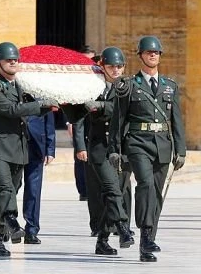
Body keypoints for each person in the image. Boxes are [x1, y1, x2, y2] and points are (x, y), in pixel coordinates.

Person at [108, 36, 186, 262]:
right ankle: (145, 232)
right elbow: (118, 120)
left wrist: (180, 150)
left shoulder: (170, 86)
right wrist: (115, 149)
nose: (153, 55)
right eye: (148, 52)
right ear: (140, 55)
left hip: (163, 144)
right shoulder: (130, 85)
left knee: (157, 193)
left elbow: (177, 120)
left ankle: (148, 240)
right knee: (145, 184)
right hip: (138, 142)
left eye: (156, 52)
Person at [0, 42, 58, 257]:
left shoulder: (21, 87)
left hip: (17, 148)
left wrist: (48, 106)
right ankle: (13, 221)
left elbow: (30, 112)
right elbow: (11, 110)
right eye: (8, 60)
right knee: (4, 189)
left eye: (15, 60)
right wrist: (41, 105)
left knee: (10, 192)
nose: (13, 62)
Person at [78, 46, 136, 255]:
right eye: (112, 66)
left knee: (116, 193)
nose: (116, 70)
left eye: (120, 66)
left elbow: (127, 110)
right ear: (102, 66)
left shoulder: (128, 87)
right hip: (100, 147)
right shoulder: (92, 87)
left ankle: (102, 239)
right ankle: (122, 227)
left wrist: (102, 107)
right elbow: (78, 113)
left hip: (121, 148)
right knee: (111, 189)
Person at [19, 112, 55, 244]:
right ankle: (8, 226)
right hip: (14, 143)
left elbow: (49, 121)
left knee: (33, 190)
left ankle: (32, 230)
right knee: (11, 187)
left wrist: (50, 148)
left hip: (37, 145)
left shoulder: (42, 93)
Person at [73, 46, 97, 202]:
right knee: (81, 157)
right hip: (82, 122)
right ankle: (84, 190)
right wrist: (70, 121)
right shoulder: (76, 78)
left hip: (96, 123)